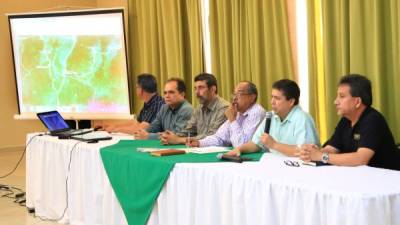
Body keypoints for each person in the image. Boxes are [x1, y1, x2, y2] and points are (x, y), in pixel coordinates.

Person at [299, 74, 400, 170]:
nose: (335, 102)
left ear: (357, 102)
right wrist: (312, 152)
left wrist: (321, 156)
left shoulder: (373, 120)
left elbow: (361, 159)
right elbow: (332, 148)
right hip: (358, 177)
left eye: (342, 97)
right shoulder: (345, 120)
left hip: (387, 179)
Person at [226, 79, 319, 157]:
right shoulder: (271, 116)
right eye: (272, 97)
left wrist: (274, 145)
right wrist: (239, 149)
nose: (272, 102)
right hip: (275, 166)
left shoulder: (303, 119)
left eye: (277, 98)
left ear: (291, 101)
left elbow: (307, 152)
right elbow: (255, 144)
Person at [187, 81, 266, 148]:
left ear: (252, 97)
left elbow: (242, 145)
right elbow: (219, 138)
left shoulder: (257, 112)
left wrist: (232, 120)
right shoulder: (237, 113)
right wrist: (199, 143)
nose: (234, 98)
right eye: (234, 94)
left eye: (239, 94)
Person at [160, 73, 229, 145]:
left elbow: (212, 136)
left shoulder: (224, 108)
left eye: (201, 88)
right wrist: (170, 137)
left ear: (212, 89)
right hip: (199, 149)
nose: (197, 92)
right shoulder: (199, 108)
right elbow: (189, 130)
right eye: (195, 88)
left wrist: (179, 140)